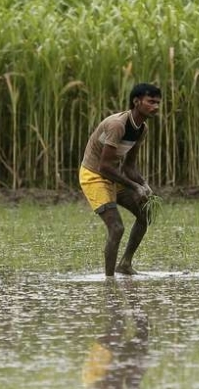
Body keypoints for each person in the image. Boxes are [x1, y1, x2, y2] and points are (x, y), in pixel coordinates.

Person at [79, 83, 161, 276]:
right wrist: (134, 187)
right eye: (151, 102)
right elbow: (103, 166)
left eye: (158, 103)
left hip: (113, 175)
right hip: (94, 176)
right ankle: (109, 280)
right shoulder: (117, 125)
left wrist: (144, 185)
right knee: (116, 228)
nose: (156, 106)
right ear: (136, 101)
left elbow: (128, 167)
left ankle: (125, 264)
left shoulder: (142, 129)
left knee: (144, 214)